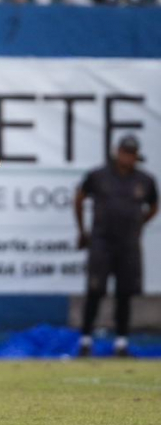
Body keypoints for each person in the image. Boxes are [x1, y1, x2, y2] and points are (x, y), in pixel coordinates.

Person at [75, 136, 158, 358]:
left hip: (128, 244)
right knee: (95, 290)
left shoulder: (145, 180)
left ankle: (121, 343)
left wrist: (140, 223)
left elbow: (153, 205)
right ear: (116, 151)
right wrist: (82, 231)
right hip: (101, 241)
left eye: (131, 153)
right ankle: (85, 341)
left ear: (136, 155)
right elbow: (79, 198)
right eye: (124, 152)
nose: (127, 157)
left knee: (125, 293)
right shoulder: (99, 176)